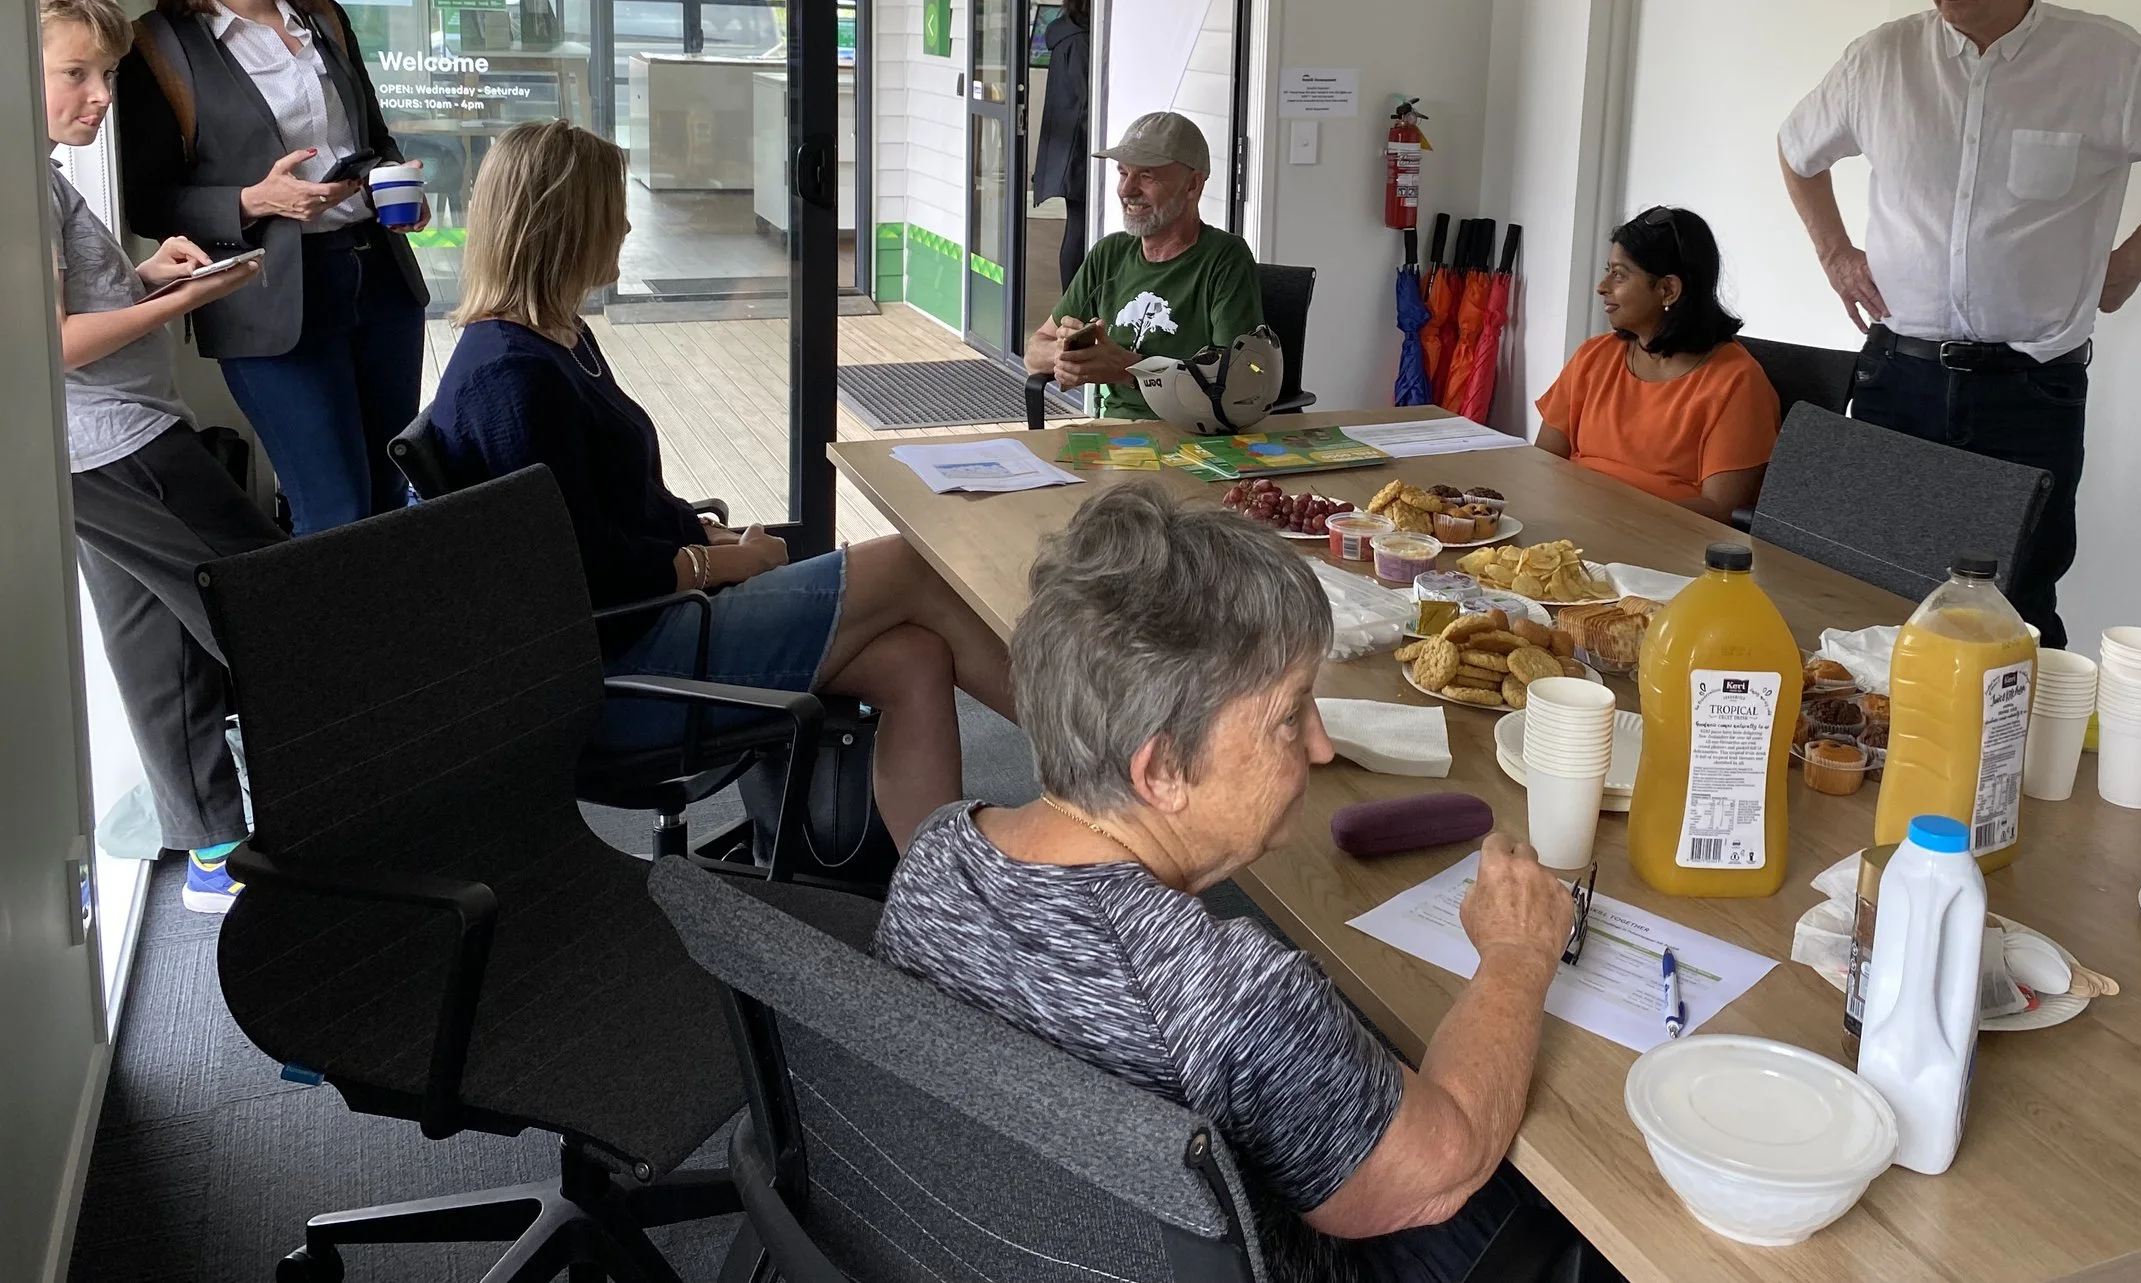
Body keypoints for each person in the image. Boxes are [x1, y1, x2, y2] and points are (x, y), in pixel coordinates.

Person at [875, 487, 1579, 1283]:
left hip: (986, 1240)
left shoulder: (934, 855)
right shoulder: (1236, 996)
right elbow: (1438, 1170)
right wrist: (1518, 954)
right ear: (1163, 770)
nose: (1320, 746)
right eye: (1289, 715)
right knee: (1561, 1196)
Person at [426, 120, 1013, 841]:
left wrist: (706, 534)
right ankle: (1102, 769)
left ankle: (942, 888)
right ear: (565, 225)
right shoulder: (511, 377)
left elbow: (622, 505)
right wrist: (725, 563)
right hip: (621, 674)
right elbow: (586, 577)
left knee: (914, 659)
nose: (628, 226)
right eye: (613, 211)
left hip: (657, 630)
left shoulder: (555, 339)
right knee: (916, 566)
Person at [1778, 0, 2141, 645]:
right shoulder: (1882, 60)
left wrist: (2129, 265)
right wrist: (1835, 252)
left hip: (2028, 391)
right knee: (1871, 595)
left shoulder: (2109, 62)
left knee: (2015, 612)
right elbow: (1798, 150)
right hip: (1899, 376)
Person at [39, 0, 285, 917]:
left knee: (154, 647)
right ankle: (353, 798)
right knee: (273, 603)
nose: (101, 95)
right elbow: (54, 344)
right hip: (119, 445)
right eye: (77, 73)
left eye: (105, 74)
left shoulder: (41, 179)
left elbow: (69, 309)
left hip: (90, 452)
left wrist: (146, 277)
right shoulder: (24, 188)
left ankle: (214, 851)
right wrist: (187, 298)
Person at [115, 0, 430, 536]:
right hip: (269, 298)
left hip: (377, 277)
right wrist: (253, 201)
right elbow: (150, 201)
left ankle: (394, 614)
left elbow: (374, 133)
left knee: (391, 493)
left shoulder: (323, 18)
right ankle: (334, 615)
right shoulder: (156, 49)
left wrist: (394, 181)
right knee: (336, 510)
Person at [1534, 206, 1779, 523]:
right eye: (1608, 271)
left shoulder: (1737, 382)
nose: (1602, 286)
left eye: (1619, 274)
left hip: (1662, 541)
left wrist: (1618, 519)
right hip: (1572, 525)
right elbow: (1543, 461)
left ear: (1668, 290)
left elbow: (1720, 511)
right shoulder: (1593, 356)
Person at [1024, 111, 1262, 421]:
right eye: (1123, 173)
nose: (1127, 190)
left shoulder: (1225, 259)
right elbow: (1034, 352)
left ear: (1193, 185)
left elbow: (1236, 382)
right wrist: (1066, 355)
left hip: (1193, 433)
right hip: (1114, 432)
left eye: (1147, 177)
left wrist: (1126, 369)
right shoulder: (1109, 254)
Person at [1029, 0, 1092, 290]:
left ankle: (1074, 298)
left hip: (1066, 147)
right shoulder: (1081, 42)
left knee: (1077, 226)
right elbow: (1087, 99)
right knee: (1079, 230)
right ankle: (1072, 301)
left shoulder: (1064, 35)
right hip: (1079, 150)